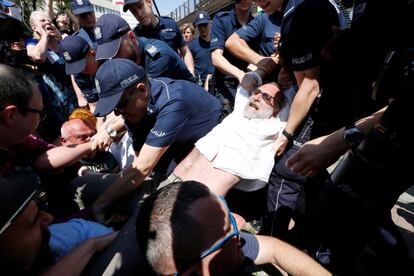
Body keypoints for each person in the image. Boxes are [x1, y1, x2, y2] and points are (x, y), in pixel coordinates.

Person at [74, 58, 221, 220]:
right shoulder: (136, 107)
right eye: (114, 108)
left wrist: (100, 205)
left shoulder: (173, 102)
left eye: (120, 105)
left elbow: (143, 167)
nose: (117, 113)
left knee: (164, 214)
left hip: (211, 154)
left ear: (142, 90)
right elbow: (139, 163)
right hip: (177, 146)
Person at [135, 181, 331, 275]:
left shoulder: (211, 251)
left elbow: (273, 248)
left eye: (228, 214)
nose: (241, 221)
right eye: (228, 228)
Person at [169, 82, 294, 196]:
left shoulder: (274, 127)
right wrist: (265, 69)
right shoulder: (239, 110)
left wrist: (286, 74)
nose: (257, 97)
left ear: (277, 110)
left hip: (200, 197)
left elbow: (300, 92)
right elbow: (248, 80)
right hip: (173, 181)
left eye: (266, 97)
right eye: (256, 92)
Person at [0, 171, 117, 275]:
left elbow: (82, 230)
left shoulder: (48, 240)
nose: (48, 218)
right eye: (33, 221)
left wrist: (92, 245)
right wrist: (91, 247)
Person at [94, 14, 195, 83]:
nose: (115, 58)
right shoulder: (131, 53)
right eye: (110, 54)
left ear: (132, 37)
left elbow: (147, 99)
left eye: (116, 50)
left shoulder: (158, 57)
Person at [123, 0, 195, 75]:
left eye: (140, 6)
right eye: (134, 11)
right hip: (157, 84)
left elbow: (185, 52)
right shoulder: (136, 37)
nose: (139, 14)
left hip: (180, 82)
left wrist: (191, 76)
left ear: (149, 2)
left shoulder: (170, 24)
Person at [210, 0, 254, 106]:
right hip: (226, 84)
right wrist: (240, 75)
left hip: (251, 83)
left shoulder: (257, 23)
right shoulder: (222, 20)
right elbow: (216, 57)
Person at [226, 0, 283, 67]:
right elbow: (232, 42)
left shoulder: (296, 11)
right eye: (255, 0)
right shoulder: (264, 18)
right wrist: (262, 61)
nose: (259, 2)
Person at [188, 11, 215, 90]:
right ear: (197, 27)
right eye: (200, 26)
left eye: (205, 25)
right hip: (200, 85)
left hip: (217, 82)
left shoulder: (217, 42)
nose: (203, 29)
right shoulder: (191, 46)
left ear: (210, 24)